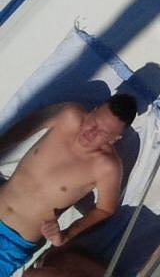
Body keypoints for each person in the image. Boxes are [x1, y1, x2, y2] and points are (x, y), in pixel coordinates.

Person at [0, 97, 133, 276]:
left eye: (103, 132)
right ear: (92, 111)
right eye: (94, 122)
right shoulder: (68, 116)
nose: (92, 132)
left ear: (115, 139)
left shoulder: (106, 167)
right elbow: (25, 127)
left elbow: (105, 209)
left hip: (13, 245)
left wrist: (65, 235)